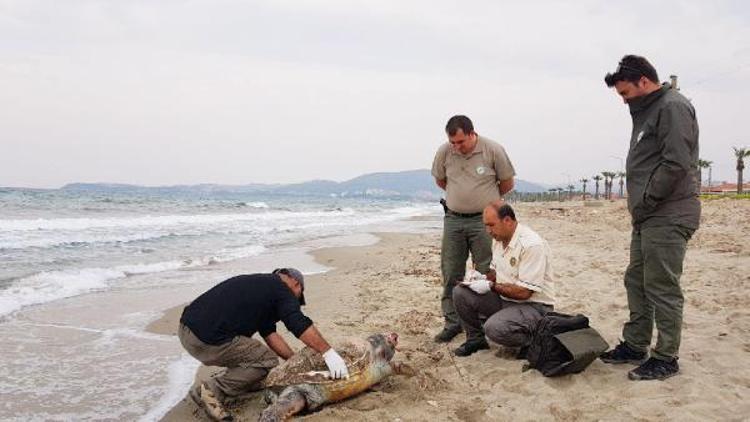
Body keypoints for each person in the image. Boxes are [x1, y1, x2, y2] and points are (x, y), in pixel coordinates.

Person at [599, 55, 700, 381]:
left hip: (667, 213)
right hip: (648, 215)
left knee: (662, 286)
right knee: (637, 281)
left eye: (626, 93)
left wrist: (647, 199)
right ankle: (635, 344)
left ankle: (666, 357)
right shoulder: (648, 110)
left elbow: (676, 163)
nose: (624, 100)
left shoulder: (671, 107)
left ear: (644, 81)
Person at [178, 268, 349, 421]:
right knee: (267, 361)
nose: (295, 301)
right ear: (296, 284)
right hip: (208, 338)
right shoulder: (282, 290)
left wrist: (294, 361)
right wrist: (328, 352)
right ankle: (212, 390)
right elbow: (297, 323)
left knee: (257, 356)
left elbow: (270, 335)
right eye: (298, 296)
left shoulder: (263, 288)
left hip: (187, 331)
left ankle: (244, 381)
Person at [431, 115, 516, 343]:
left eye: (461, 142)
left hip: (484, 221)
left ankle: (487, 318)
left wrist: (486, 203)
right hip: (454, 219)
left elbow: (507, 183)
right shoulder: (444, 152)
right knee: (451, 271)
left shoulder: (493, 150)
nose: (457, 147)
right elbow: (441, 181)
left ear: (472, 134)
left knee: (488, 269)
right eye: (453, 142)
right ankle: (452, 322)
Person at [452, 203, 555, 356]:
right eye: (486, 226)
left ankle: (533, 341)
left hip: (534, 306)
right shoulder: (499, 240)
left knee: (494, 328)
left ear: (507, 220)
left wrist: (490, 286)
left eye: (491, 225)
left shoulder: (531, 244)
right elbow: (495, 272)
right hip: (507, 300)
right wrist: (479, 279)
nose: (488, 231)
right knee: (461, 292)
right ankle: (476, 339)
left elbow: (524, 293)